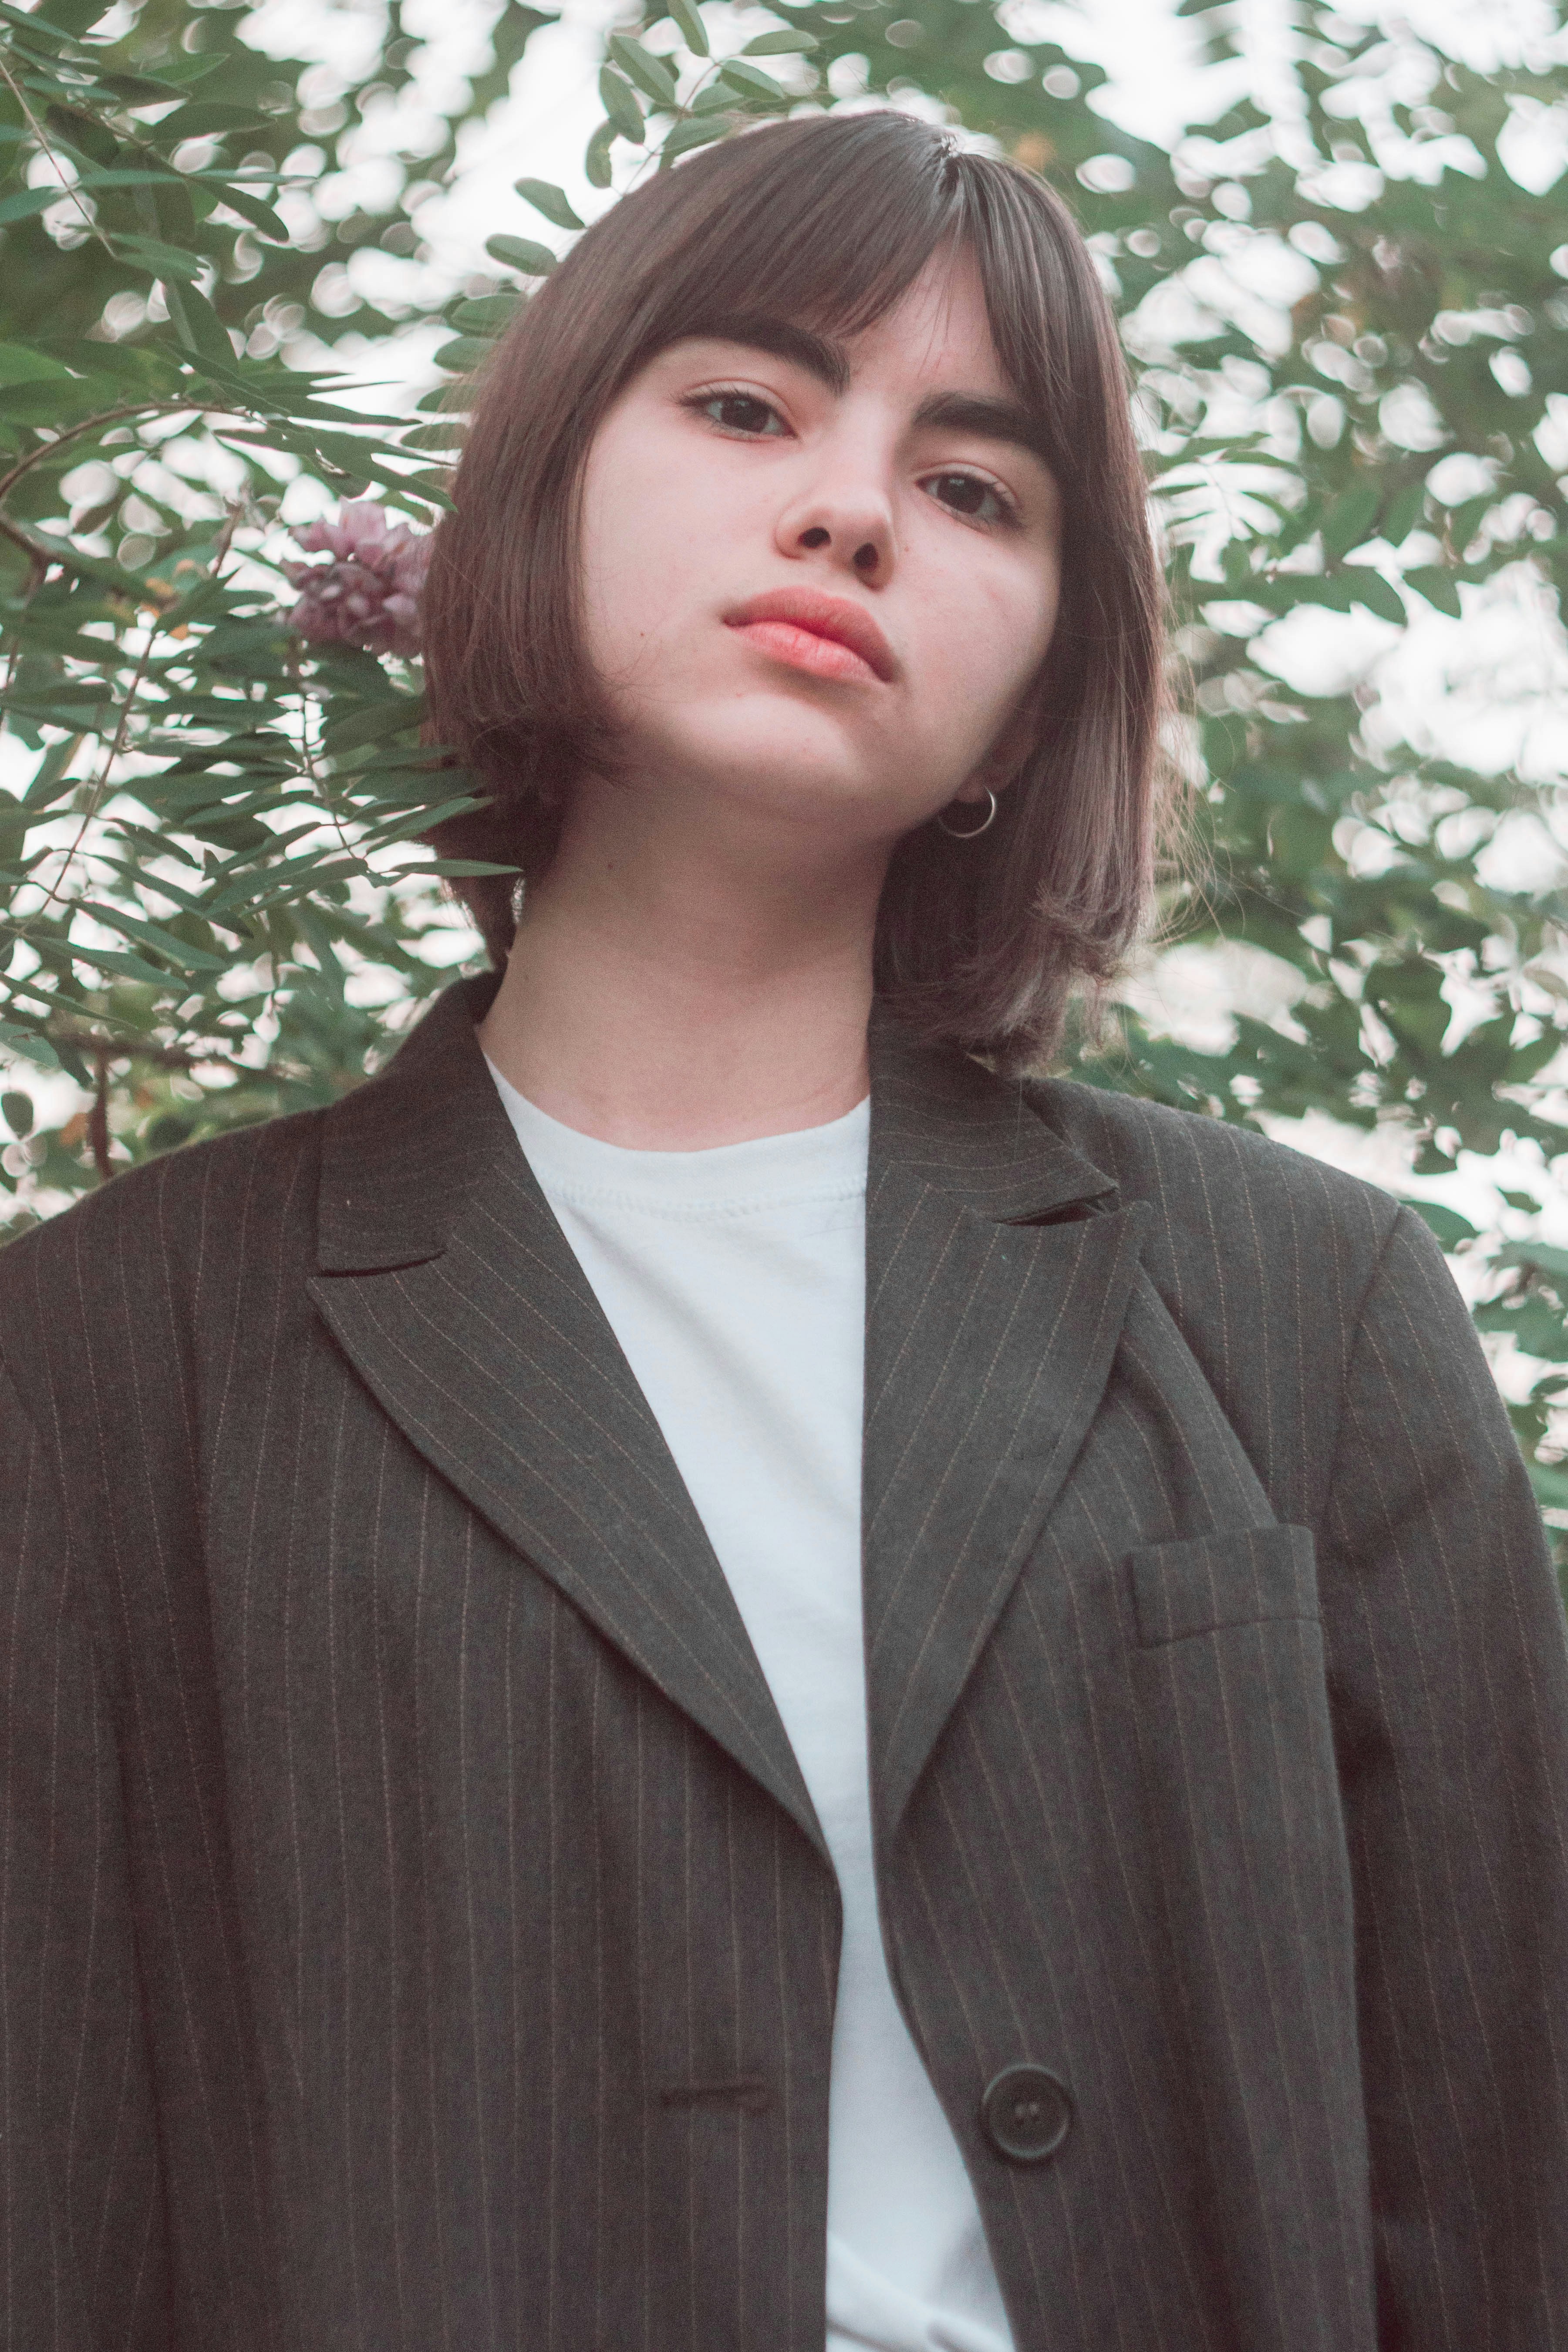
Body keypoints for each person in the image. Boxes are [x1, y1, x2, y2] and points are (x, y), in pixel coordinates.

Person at [2, 108, 1565, 2352]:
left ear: (1043, 680)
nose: (850, 508)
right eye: (744, 408)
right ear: (538, 484)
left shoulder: (1301, 1308)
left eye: (974, 489)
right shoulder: (101, 1361)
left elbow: (1500, 2191)